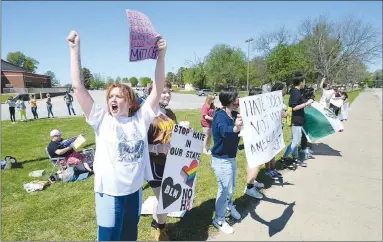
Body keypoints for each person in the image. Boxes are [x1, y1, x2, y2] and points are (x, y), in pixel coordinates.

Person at [66, 30, 167, 241]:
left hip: (134, 192)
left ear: (129, 101)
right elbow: (78, 87)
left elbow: (157, 91)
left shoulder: (140, 119)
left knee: (130, 235)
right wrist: (74, 50)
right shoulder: (102, 121)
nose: (113, 99)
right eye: (110, 96)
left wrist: (161, 56)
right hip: (109, 193)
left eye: (119, 96)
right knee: (109, 237)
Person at [211, 87, 243, 234]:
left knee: (232, 187)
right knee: (224, 190)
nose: (239, 100)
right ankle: (219, 219)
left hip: (231, 157)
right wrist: (236, 128)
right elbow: (225, 131)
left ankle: (229, 205)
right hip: (221, 159)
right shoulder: (220, 116)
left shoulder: (235, 114)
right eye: (237, 97)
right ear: (230, 100)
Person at [146, 81, 176, 241]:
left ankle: (156, 223)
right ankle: (160, 230)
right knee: (166, 200)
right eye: (163, 92)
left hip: (171, 163)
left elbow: (173, 137)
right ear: (153, 94)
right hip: (154, 165)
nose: (167, 95)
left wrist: (185, 132)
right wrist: (157, 149)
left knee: (164, 200)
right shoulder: (147, 115)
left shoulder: (170, 114)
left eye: (169, 92)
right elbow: (139, 145)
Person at [281, 71, 313, 168]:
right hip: (296, 120)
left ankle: (295, 158)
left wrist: (306, 104)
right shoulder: (295, 92)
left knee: (295, 140)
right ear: (300, 82)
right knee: (295, 141)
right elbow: (293, 107)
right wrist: (306, 104)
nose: (305, 83)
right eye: (304, 81)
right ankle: (284, 157)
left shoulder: (297, 92)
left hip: (299, 119)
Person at [243, 88, 264, 199]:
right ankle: (249, 188)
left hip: (254, 138)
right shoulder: (251, 109)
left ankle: (252, 180)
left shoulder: (251, 107)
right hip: (253, 138)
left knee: (252, 162)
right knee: (255, 162)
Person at [265, 83, 288, 178]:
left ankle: (273, 168)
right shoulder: (271, 100)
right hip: (271, 127)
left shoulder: (280, 99)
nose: (285, 90)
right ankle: (268, 170)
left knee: (274, 148)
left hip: (278, 126)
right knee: (269, 149)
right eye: (284, 89)